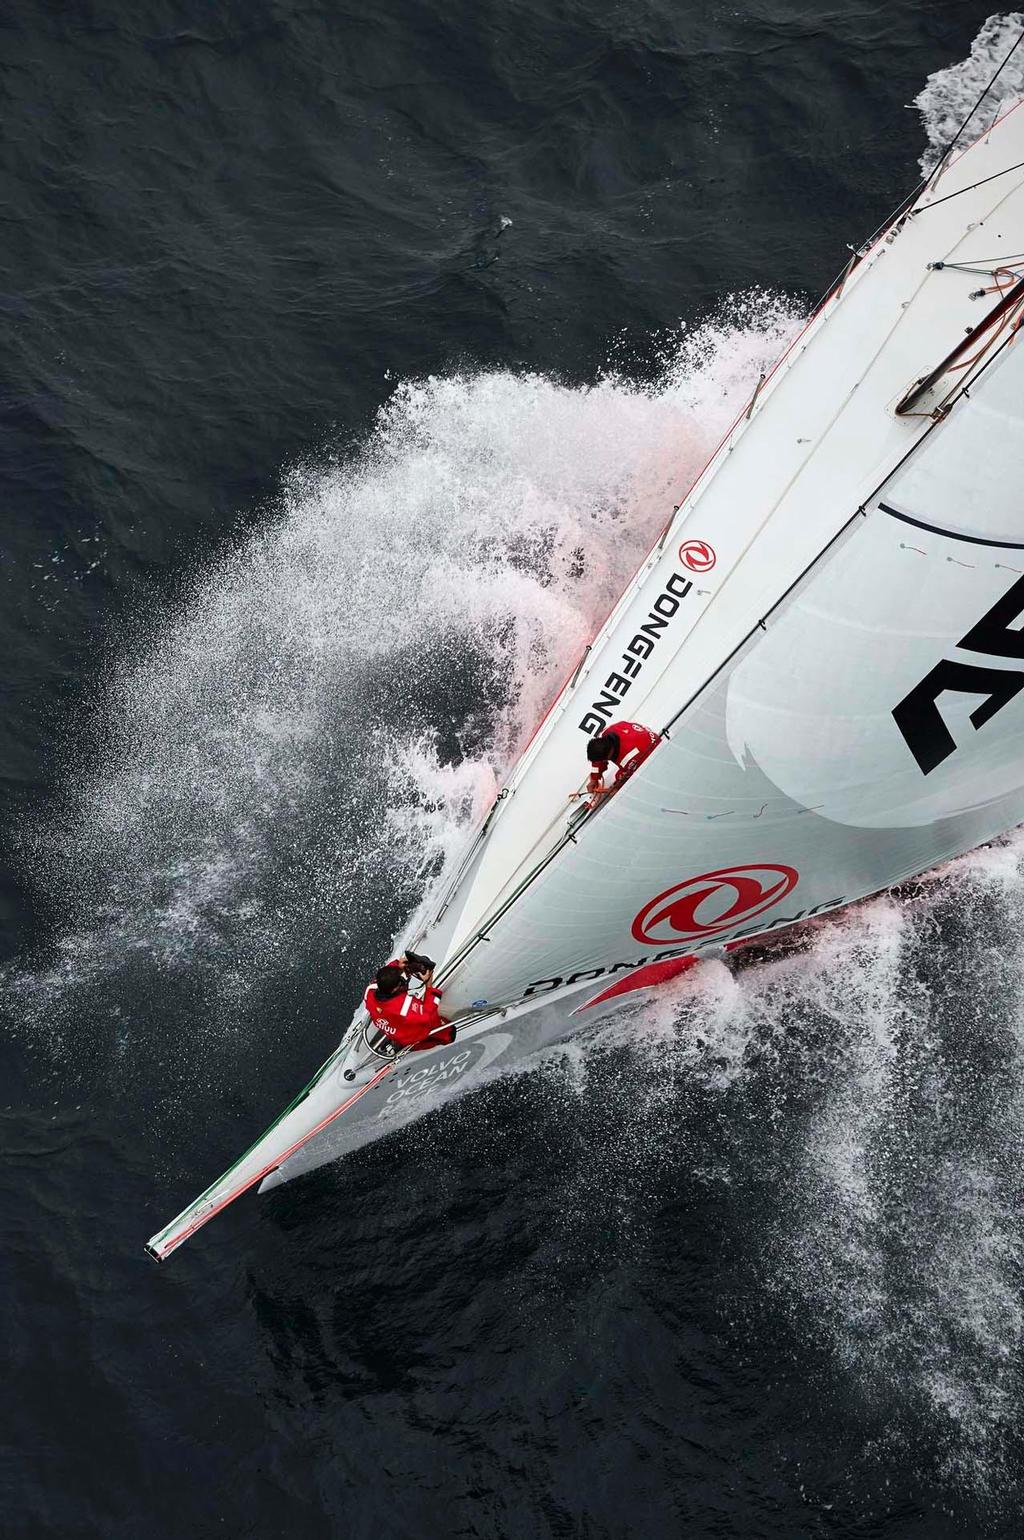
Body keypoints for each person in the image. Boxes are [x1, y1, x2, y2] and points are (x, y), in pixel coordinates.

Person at [363, 951, 456, 1051]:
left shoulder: (370, 991)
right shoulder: (404, 1007)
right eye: (400, 980)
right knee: (449, 1034)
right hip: (408, 1036)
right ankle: (403, 1046)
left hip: (390, 1025)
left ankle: (394, 1041)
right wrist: (428, 986)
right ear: (394, 989)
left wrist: (397, 965)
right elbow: (427, 1015)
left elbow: (383, 977)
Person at [580, 720, 661, 802]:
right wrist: (594, 778)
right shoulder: (610, 730)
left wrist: (615, 788)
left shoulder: (629, 759)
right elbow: (598, 758)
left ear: (607, 756)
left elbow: (623, 778)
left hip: (656, 757)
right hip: (641, 739)